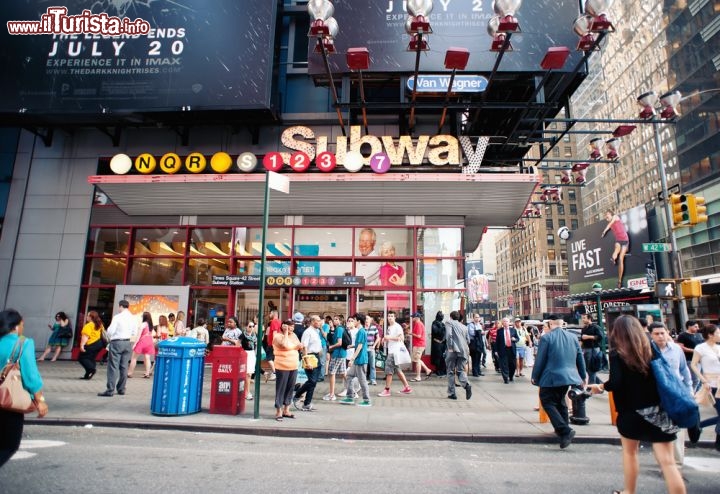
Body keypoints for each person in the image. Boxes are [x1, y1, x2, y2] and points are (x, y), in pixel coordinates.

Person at [589, 315, 686, 494]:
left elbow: (616, 382)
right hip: (658, 411)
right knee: (668, 462)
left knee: (630, 453)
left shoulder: (618, 353)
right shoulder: (652, 349)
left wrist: (601, 386)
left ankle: (629, 491)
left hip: (630, 412)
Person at [0, 309, 49, 468]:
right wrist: (40, 400)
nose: (23, 327)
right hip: (9, 402)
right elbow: (30, 376)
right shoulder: (23, 343)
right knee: (9, 445)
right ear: (15, 326)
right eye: (22, 324)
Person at [531, 314, 586, 449]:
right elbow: (580, 357)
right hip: (569, 376)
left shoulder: (546, 338)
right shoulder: (573, 338)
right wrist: (582, 376)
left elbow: (540, 359)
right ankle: (563, 432)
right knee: (560, 402)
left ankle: (564, 430)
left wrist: (535, 376)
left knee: (547, 401)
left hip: (551, 376)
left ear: (550, 323)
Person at [649, 322, 696, 462]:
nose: (660, 336)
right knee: (659, 429)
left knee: (678, 430)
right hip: (656, 395)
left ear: (667, 332)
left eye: (663, 333)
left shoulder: (676, 349)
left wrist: (689, 390)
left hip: (676, 393)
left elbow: (684, 370)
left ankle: (677, 463)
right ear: (651, 335)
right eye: (656, 334)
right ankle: (664, 463)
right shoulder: (646, 351)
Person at [689, 324, 720, 451]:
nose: (719, 335)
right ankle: (699, 426)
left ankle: (717, 441)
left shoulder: (718, 347)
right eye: (718, 333)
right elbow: (693, 365)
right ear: (710, 335)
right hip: (711, 384)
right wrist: (703, 381)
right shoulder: (700, 348)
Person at [99, 300, 137, 397]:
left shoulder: (117, 317)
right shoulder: (133, 318)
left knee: (113, 366)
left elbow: (110, 331)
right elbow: (134, 332)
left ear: (120, 306)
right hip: (127, 342)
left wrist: (109, 337)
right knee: (124, 367)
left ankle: (110, 390)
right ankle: (121, 389)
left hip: (116, 342)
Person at [272, 319, 302, 421]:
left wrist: (293, 347)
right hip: (282, 365)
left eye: (293, 326)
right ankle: (278, 411)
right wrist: (285, 333)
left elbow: (299, 346)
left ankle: (286, 409)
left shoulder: (293, 335)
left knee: (290, 388)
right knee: (281, 388)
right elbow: (284, 345)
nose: (291, 328)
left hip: (293, 365)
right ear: (283, 326)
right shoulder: (277, 336)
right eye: (289, 326)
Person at [339, 312, 372, 406]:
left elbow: (360, 346)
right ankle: (350, 397)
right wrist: (353, 345)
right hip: (358, 359)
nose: (352, 322)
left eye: (354, 320)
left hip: (360, 360)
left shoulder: (361, 331)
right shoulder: (360, 331)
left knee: (362, 380)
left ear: (358, 321)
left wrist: (352, 359)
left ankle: (367, 400)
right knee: (349, 376)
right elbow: (360, 344)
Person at [378, 311, 413, 397]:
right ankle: (407, 387)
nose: (390, 317)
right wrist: (384, 339)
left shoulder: (397, 326)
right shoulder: (390, 327)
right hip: (392, 351)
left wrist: (388, 337)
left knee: (389, 370)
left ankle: (387, 390)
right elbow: (390, 337)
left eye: (391, 316)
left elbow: (401, 338)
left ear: (395, 317)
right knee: (397, 369)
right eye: (389, 316)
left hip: (394, 351)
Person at [294, 315, 323, 412]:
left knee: (313, 382)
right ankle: (297, 394)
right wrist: (306, 361)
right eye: (318, 321)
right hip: (310, 356)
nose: (320, 323)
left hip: (316, 356)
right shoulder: (307, 332)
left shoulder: (316, 331)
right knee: (312, 380)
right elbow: (304, 347)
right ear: (313, 321)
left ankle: (307, 403)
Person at [444, 311, 472, 400]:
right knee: (460, 370)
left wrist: (450, 347)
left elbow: (448, 335)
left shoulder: (449, 322)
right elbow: (468, 340)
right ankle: (466, 384)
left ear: (451, 317)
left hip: (453, 350)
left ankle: (452, 393)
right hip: (464, 351)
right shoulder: (464, 327)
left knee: (450, 371)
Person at [602, 209, 630, 288]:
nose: (606, 216)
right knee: (616, 250)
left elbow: (610, 223)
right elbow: (609, 224)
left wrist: (604, 231)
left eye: (607, 214)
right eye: (605, 215)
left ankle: (619, 281)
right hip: (618, 241)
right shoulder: (610, 223)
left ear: (611, 214)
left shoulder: (615, 217)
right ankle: (613, 259)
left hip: (625, 241)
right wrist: (605, 230)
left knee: (621, 259)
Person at [323, 314, 347, 401]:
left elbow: (339, 343)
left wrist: (331, 347)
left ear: (340, 321)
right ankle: (352, 390)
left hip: (338, 353)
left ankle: (332, 394)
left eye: (336, 319)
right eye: (334, 319)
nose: (334, 320)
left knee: (332, 373)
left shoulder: (339, 329)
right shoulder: (340, 329)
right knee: (343, 373)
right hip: (342, 353)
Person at [676, 320, 703, 392]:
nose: (697, 328)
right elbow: (681, 348)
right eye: (695, 327)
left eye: (698, 326)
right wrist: (695, 351)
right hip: (690, 360)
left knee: (701, 380)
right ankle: (691, 396)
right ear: (689, 326)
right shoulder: (682, 335)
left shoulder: (699, 335)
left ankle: (698, 397)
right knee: (695, 380)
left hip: (700, 360)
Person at [128, 311, 156, 378]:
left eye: (142, 316)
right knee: (147, 358)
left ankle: (129, 373)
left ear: (144, 317)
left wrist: (135, 344)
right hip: (149, 342)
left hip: (142, 341)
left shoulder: (143, 324)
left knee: (134, 358)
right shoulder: (150, 325)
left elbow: (138, 335)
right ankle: (147, 373)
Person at [78, 311, 104, 380]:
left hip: (91, 344)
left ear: (91, 317)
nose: (86, 317)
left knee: (82, 358)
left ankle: (91, 369)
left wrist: (82, 345)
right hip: (99, 344)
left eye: (88, 315)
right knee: (91, 358)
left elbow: (85, 336)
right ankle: (87, 374)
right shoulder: (99, 324)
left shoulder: (89, 325)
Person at [580, 313, 604, 384]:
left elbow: (600, 337)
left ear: (589, 319)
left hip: (593, 349)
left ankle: (592, 386)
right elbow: (582, 340)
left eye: (584, 318)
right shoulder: (584, 328)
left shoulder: (595, 327)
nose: (583, 319)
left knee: (592, 368)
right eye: (582, 318)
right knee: (586, 368)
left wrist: (588, 337)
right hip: (585, 349)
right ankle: (595, 384)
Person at [495, 317, 518, 384]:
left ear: (509, 322)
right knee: (504, 364)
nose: (505, 323)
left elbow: (517, 338)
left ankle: (511, 376)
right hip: (503, 349)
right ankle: (505, 378)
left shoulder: (513, 330)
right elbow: (497, 342)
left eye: (506, 321)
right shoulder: (499, 331)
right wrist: (496, 351)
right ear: (502, 323)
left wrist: (515, 339)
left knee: (512, 365)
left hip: (511, 349)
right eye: (504, 321)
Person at [410, 312, 432, 381]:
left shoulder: (418, 324)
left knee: (417, 360)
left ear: (417, 317)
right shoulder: (418, 324)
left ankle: (418, 376)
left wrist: (411, 333)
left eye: (413, 317)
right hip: (419, 344)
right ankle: (427, 370)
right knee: (418, 359)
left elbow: (419, 336)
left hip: (419, 345)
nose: (412, 318)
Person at [264, 310, 281, 381]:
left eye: (270, 313)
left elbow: (274, 333)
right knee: (273, 359)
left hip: (272, 344)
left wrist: (274, 343)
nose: (269, 314)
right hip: (274, 344)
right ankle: (275, 372)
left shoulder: (274, 321)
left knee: (269, 358)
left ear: (274, 314)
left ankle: (275, 373)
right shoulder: (279, 321)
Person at [467, 313, 485, 377]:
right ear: (473, 318)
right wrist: (480, 332)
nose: (477, 318)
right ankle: (475, 372)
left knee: (479, 357)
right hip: (474, 343)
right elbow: (472, 333)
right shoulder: (471, 325)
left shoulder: (479, 325)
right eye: (476, 317)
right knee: (474, 358)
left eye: (478, 317)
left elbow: (481, 333)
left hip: (479, 343)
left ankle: (478, 371)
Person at [430, 311, 447, 377]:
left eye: (442, 315)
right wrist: (442, 328)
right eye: (441, 315)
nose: (442, 317)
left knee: (443, 357)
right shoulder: (434, 323)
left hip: (443, 343)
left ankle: (443, 370)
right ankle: (438, 371)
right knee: (438, 357)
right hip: (437, 343)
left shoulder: (442, 323)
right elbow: (436, 331)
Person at [364, 315, 379, 385]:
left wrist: (374, 346)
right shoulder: (362, 328)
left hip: (371, 348)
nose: (366, 320)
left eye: (367, 319)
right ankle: (364, 379)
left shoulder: (374, 327)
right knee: (364, 364)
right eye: (365, 319)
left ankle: (373, 379)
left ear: (370, 320)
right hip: (364, 349)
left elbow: (378, 338)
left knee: (372, 365)